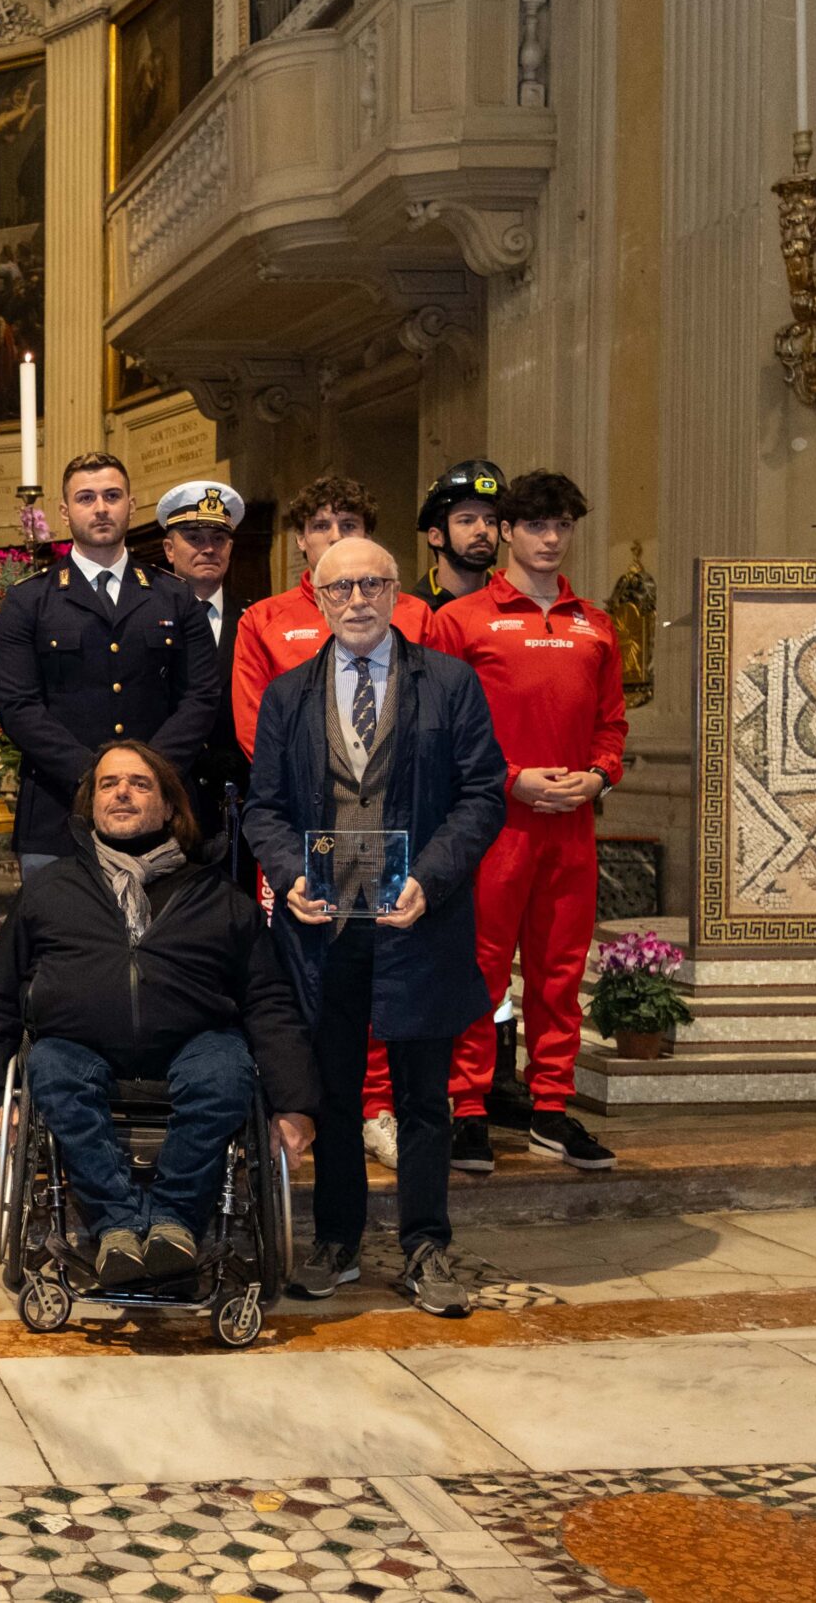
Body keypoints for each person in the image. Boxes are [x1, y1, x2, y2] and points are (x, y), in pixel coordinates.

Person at [242, 537, 507, 1317]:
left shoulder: (450, 683)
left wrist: (431, 876)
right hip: (325, 925)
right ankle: (338, 1240)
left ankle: (426, 1244)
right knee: (333, 1089)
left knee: (424, 1096)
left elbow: (483, 794)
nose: (356, 600)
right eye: (340, 588)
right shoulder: (288, 695)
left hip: (418, 917)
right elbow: (264, 809)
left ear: (396, 593)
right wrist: (290, 874)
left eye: (371, 584)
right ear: (319, 598)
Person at [0, 742, 316, 1282]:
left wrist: (294, 1104)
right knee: (49, 1066)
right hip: (76, 1046)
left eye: (139, 783)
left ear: (170, 806)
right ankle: (118, 1227)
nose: (122, 793)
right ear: (91, 805)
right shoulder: (49, 890)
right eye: (108, 784)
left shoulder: (218, 896)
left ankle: (174, 1223)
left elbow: (269, 1002)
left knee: (227, 1070)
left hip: (195, 1045)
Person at [229, 474, 433, 1169]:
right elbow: (257, 729)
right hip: (304, 828)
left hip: (394, 832)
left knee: (386, 969)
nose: (335, 536)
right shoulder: (265, 619)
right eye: (321, 525)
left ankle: (376, 1106)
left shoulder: (410, 613)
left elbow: (435, 717)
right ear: (300, 541)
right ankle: (303, 1104)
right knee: (299, 972)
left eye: (350, 523)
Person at [426, 470, 624, 1175]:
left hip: (570, 824)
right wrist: (511, 779)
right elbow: (439, 727)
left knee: (560, 972)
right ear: (506, 531)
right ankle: (468, 1108)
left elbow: (611, 723)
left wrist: (599, 776)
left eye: (563, 525)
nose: (550, 538)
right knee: (479, 968)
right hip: (492, 823)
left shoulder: (595, 623)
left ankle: (550, 1107)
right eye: (536, 524)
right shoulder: (461, 621)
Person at [0, 452, 219, 876]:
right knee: (58, 920)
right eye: (86, 498)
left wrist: (147, 776)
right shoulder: (29, 601)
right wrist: (95, 777)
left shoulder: (174, 596)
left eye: (112, 496)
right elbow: (18, 705)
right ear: (64, 512)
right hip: (59, 812)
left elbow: (201, 697)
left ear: (131, 506)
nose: (100, 508)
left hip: (161, 812)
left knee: (167, 920)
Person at [156, 480, 253, 882]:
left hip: (238, 797)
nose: (208, 548)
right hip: (169, 790)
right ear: (169, 549)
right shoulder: (143, 619)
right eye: (194, 538)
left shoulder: (255, 619)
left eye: (218, 538)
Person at [416, 461, 505, 609]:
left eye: (490, 521)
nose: (482, 530)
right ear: (436, 537)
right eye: (466, 521)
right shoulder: (413, 613)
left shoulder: (515, 602)